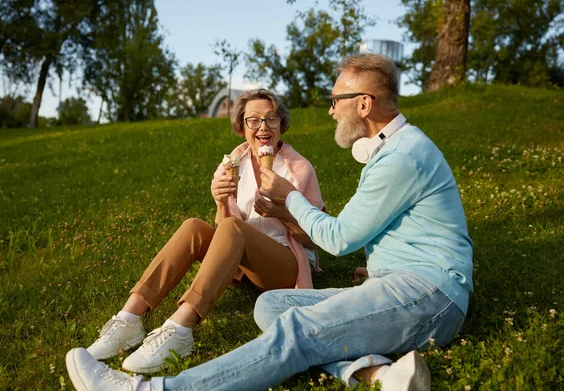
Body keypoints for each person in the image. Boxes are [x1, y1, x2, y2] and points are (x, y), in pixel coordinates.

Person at [66, 53, 473, 391]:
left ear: (363, 105)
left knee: (296, 331)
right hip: (404, 283)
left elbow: (339, 237)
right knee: (273, 306)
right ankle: (377, 373)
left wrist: (288, 199)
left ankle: (153, 388)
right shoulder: (393, 151)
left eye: (336, 100)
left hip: (428, 293)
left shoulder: (400, 156)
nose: (331, 111)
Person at [82, 88, 325, 374]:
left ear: (282, 124)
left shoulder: (299, 169)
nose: (263, 127)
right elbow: (226, 232)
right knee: (194, 227)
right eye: (254, 120)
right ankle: (130, 318)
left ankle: (180, 329)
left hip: (286, 265)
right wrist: (221, 201)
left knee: (235, 227)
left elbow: (316, 238)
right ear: (241, 126)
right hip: (245, 264)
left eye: (271, 119)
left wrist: (282, 212)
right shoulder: (233, 164)